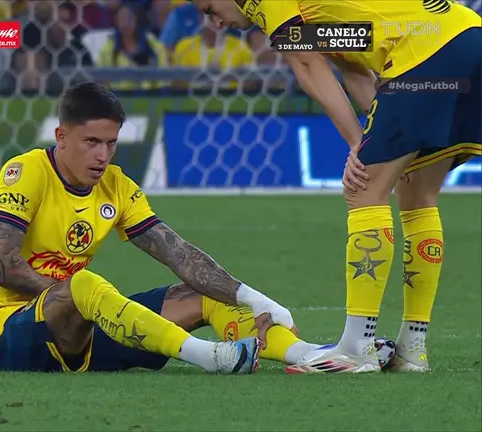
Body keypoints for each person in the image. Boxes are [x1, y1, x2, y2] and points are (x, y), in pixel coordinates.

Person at [187, 0, 482, 373]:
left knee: (363, 190)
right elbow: (353, 66)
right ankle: (412, 348)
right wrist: (372, 141)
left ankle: (356, 348)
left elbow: (307, 63)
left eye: (209, 7)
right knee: (416, 194)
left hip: (425, 51)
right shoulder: (319, 11)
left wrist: (360, 144)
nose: (215, 22)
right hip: (466, 36)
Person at [0, 82, 327, 374]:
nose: (102, 156)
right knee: (85, 284)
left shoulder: (116, 186)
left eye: (111, 143)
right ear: (61, 136)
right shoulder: (28, 172)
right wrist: (81, 299)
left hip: (88, 332)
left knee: (206, 292)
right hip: (17, 336)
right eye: (91, 142)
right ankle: (209, 356)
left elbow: (180, 255)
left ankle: (310, 354)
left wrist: (255, 299)